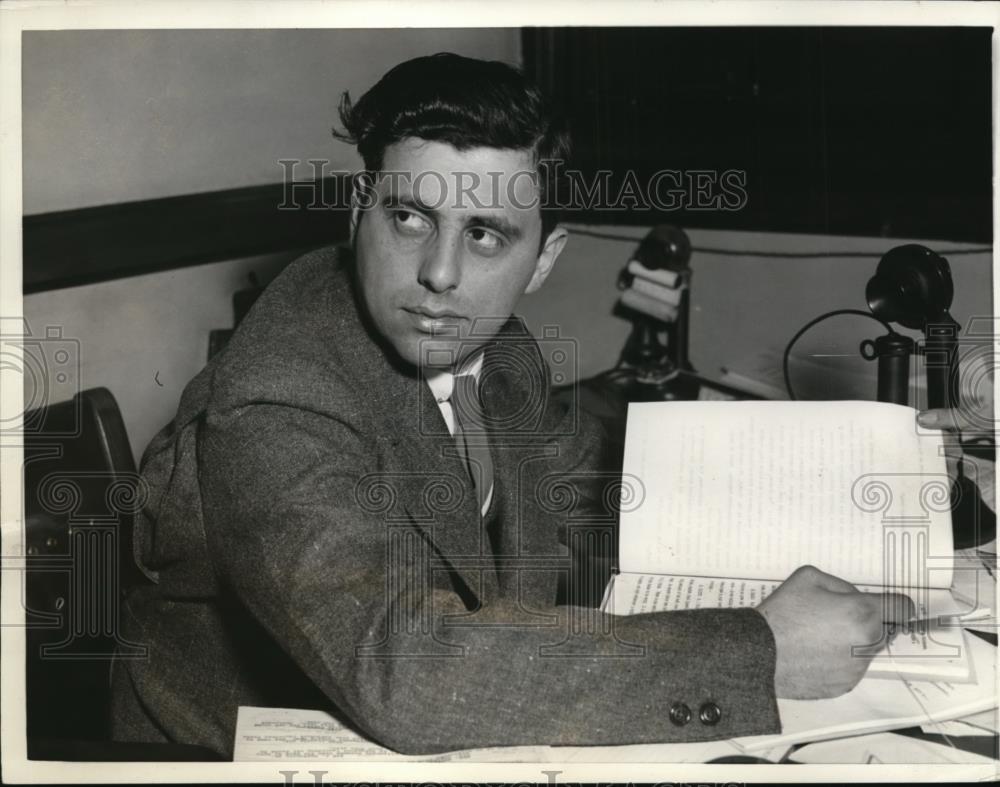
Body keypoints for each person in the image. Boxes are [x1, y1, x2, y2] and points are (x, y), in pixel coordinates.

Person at [112, 52, 918, 758]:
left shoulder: (498, 349)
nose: (439, 273)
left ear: (543, 258)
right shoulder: (278, 393)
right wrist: (759, 650)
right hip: (237, 756)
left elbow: (580, 490)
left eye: (487, 235)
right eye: (408, 218)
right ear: (361, 210)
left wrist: (840, 492)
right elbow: (402, 672)